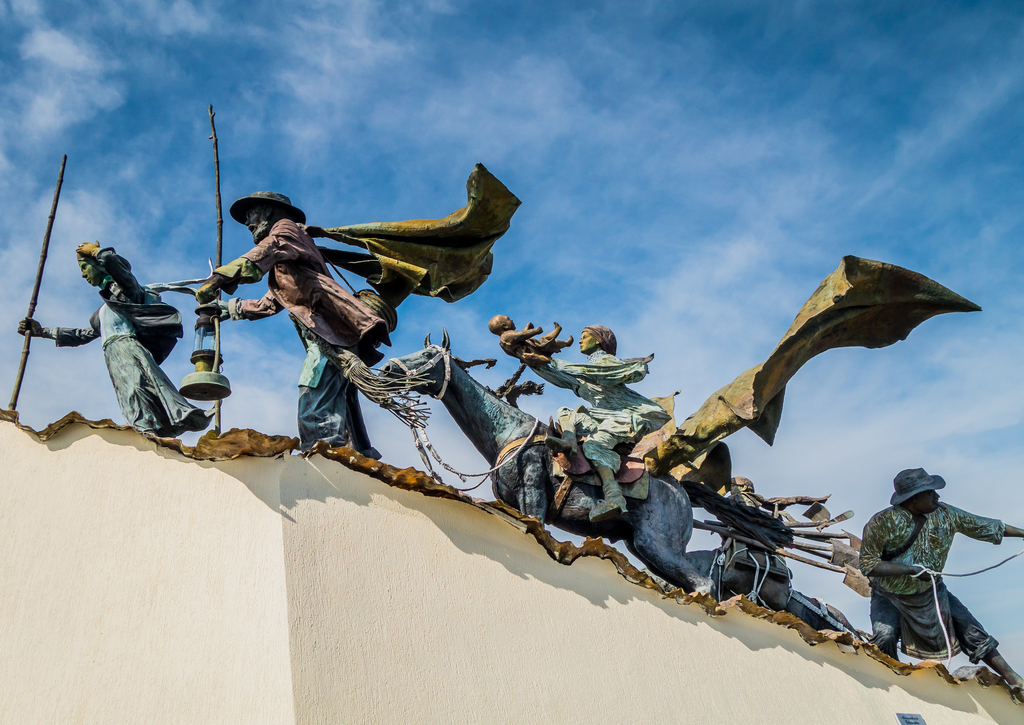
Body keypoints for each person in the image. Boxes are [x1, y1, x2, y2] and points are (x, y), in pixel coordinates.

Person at [195, 191, 392, 456]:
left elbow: (266, 250)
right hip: (328, 339)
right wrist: (231, 308)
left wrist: (219, 278)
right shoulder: (288, 259)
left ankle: (325, 457)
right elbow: (271, 302)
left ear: (269, 212)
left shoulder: (285, 230)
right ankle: (346, 454)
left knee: (313, 402)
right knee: (332, 403)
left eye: (251, 215)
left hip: (330, 337)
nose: (248, 223)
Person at [17, 243, 212, 437]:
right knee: (127, 394)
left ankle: (149, 428)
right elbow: (81, 335)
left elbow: (120, 271)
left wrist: (96, 252)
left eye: (84, 267)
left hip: (128, 347)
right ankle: (145, 428)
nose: (83, 275)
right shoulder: (102, 311)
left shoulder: (126, 293)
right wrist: (42, 331)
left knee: (138, 387)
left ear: (100, 265)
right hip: (111, 355)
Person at [859, 467, 1024, 689]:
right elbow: (868, 564)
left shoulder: (946, 513)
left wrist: (1023, 533)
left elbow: (984, 525)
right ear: (914, 498)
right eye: (930, 492)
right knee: (885, 637)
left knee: (972, 630)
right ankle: (892, 683)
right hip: (890, 596)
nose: (937, 496)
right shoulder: (882, 522)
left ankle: (1016, 680)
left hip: (932, 592)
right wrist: (909, 569)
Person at [528, 325, 670, 522]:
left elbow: (595, 372)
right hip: (603, 416)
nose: (580, 340)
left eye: (584, 336)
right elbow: (563, 379)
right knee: (566, 412)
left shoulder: (606, 363)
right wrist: (530, 360)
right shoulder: (585, 373)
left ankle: (614, 498)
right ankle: (569, 441)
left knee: (594, 445)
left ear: (598, 340)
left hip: (631, 417)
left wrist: (551, 360)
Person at [487, 314, 573, 366]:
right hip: (532, 354)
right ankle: (559, 334)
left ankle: (565, 342)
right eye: (508, 319)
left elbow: (519, 337)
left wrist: (527, 328)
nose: (511, 320)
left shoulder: (504, 339)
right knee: (545, 340)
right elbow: (521, 335)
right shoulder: (506, 336)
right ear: (504, 326)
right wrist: (535, 331)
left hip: (532, 351)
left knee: (544, 340)